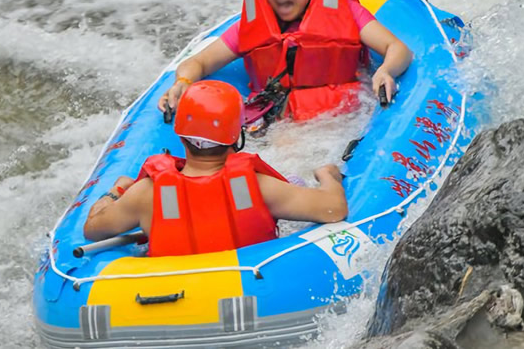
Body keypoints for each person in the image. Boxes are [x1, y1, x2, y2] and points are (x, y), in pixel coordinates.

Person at [159, 0, 412, 123]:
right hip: (277, 122)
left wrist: (386, 70)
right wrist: (183, 81)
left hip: (342, 118)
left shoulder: (347, 13)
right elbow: (200, 62)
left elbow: (397, 48)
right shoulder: (251, 27)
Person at [84, 80, 348, 256]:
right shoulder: (257, 186)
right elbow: (334, 209)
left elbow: (93, 228)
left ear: (180, 135)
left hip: (169, 299)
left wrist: (117, 191)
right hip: (252, 292)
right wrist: (327, 175)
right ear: (236, 136)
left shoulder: (145, 193)